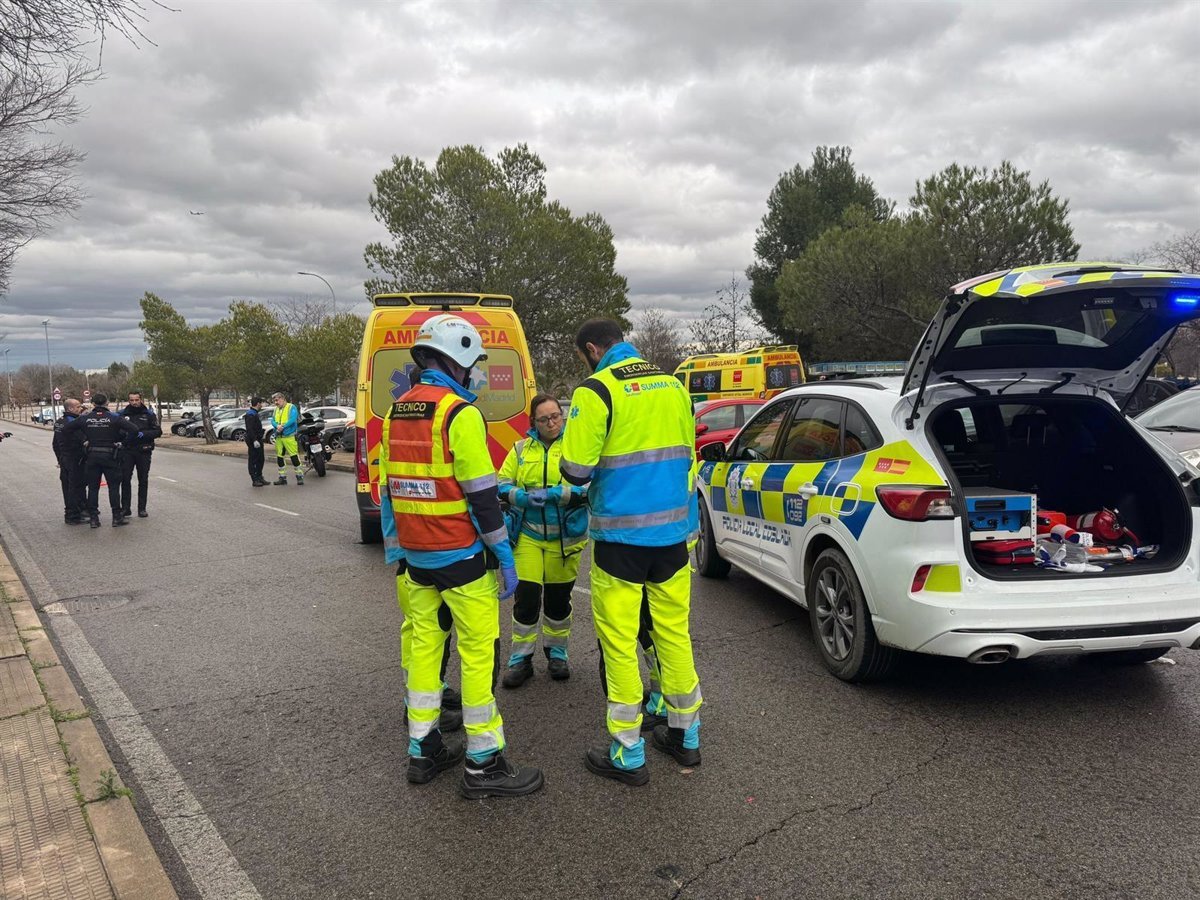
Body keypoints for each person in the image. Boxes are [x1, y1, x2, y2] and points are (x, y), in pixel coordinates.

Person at [387, 313, 542, 798]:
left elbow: (391, 494)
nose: (474, 373)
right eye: (472, 363)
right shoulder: (459, 413)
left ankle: (423, 749)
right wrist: (506, 556)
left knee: (424, 652)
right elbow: (481, 496)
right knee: (478, 655)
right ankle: (483, 763)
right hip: (460, 558)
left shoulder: (398, 411)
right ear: (455, 360)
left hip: (416, 560)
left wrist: (399, 550)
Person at [561, 318, 703, 786]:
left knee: (620, 643)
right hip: (673, 536)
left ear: (591, 348)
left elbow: (576, 472)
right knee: (673, 635)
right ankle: (686, 736)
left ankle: (628, 752)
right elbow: (688, 457)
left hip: (621, 542)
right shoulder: (673, 385)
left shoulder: (596, 390)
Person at [497, 393, 588, 688]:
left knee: (559, 601)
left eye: (556, 416)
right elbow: (501, 483)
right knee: (527, 598)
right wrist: (519, 497)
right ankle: (520, 660)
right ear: (533, 423)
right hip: (529, 536)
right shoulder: (521, 449)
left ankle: (557, 654)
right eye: (545, 419)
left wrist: (559, 494)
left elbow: (589, 485)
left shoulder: (576, 448)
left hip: (565, 538)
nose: (552, 423)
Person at [62, 393, 141, 528]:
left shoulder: (85, 418)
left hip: (92, 456)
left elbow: (66, 430)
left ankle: (94, 519)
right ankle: (116, 517)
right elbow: (134, 429)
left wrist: (84, 440)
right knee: (113, 488)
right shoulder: (114, 418)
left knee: (93, 488)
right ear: (107, 403)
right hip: (110, 455)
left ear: (93, 404)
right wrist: (123, 443)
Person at [117, 391, 162, 518]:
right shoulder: (122, 414)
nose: (134, 402)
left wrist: (145, 434)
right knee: (125, 479)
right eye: (132, 400)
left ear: (141, 400)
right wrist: (124, 435)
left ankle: (142, 508)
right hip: (127, 451)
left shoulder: (149, 414)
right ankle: (125, 508)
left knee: (143, 479)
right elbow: (116, 431)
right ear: (128, 400)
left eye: (137, 400)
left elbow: (158, 431)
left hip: (143, 451)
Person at [52, 398, 87, 524]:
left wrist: (60, 459)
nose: (81, 408)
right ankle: (73, 515)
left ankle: (77, 511)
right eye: (78, 407)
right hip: (74, 458)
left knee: (67, 487)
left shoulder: (59, 422)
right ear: (70, 408)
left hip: (64, 458)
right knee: (74, 487)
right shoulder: (73, 423)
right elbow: (82, 441)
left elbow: (55, 443)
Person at [271, 392, 303, 486]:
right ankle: (282, 478)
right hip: (279, 437)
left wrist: (282, 427)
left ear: (282, 398)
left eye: (277, 400)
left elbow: (293, 419)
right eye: (274, 401)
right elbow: (272, 420)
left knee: (294, 456)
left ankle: (299, 476)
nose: (276, 403)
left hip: (289, 436)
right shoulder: (276, 409)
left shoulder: (291, 407)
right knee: (280, 457)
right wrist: (277, 426)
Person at [244, 398, 269, 486]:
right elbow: (250, 429)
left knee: (260, 459)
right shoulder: (250, 414)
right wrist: (254, 440)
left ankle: (259, 476)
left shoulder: (255, 413)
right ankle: (254, 479)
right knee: (253, 460)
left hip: (258, 439)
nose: (262, 405)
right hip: (253, 440)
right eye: (261, 403)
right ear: (258, 403)